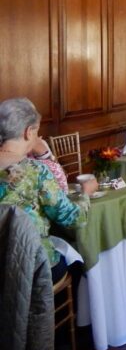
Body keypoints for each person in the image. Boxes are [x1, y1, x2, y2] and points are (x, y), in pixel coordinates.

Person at [0, 97, 97, 284]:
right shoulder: (36, 171)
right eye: (37, 131)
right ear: (29, 132)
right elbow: (73, 219)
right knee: (80, 263)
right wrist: (86, 194)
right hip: (31, 267)